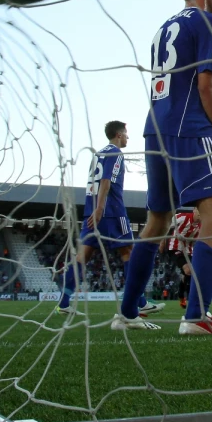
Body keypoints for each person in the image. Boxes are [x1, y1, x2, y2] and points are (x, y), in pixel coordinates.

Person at [117, 0, 212, 335]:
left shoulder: (163, 29)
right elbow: (208, 85)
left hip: (154, 128)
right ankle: (197, 316)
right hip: (190, 127)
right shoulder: (207, 21)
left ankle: (126, 313)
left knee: (157, 222)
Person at [58, 121, 163, 317]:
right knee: (129, 252)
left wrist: (94, 209)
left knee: (83, 256)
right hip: (111, 210)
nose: (127, 138)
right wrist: (101, 208)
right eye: (125, 134)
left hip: (92, 210)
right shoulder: (115, 153)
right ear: (118, 135)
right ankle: (139, 302)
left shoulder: (98, 154)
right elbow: (107, 180)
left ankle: (63, 302)